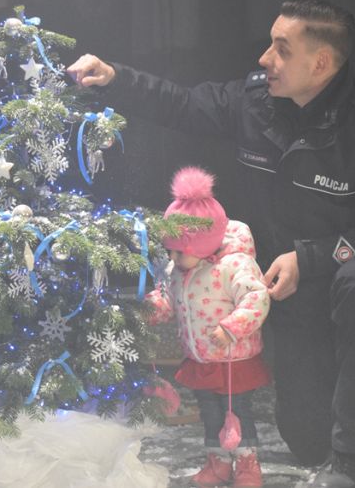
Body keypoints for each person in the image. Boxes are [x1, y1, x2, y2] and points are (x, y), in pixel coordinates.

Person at [67, 0, 355, 488]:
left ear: (319, 63)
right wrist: (115, 77)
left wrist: (312, 257)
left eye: (280, 48)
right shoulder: (255, 103)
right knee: (308, 439)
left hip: (346, 278)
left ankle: (351, 463)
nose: (264, 59)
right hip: (284, 288)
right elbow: (183, 103)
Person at [146, 167, 271, 487]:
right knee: (211, 414)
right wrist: (154, 309)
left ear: (203, 247)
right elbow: (170, 298)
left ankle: (246, 465)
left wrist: (231, 327)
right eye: (170, 250)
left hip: (233, 359)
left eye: (179, 251)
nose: (172, 257)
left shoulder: (234, 266)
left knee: (237, 413)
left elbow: (257, 298)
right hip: (201, 358)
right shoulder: (179, 269)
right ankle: (217, 462)